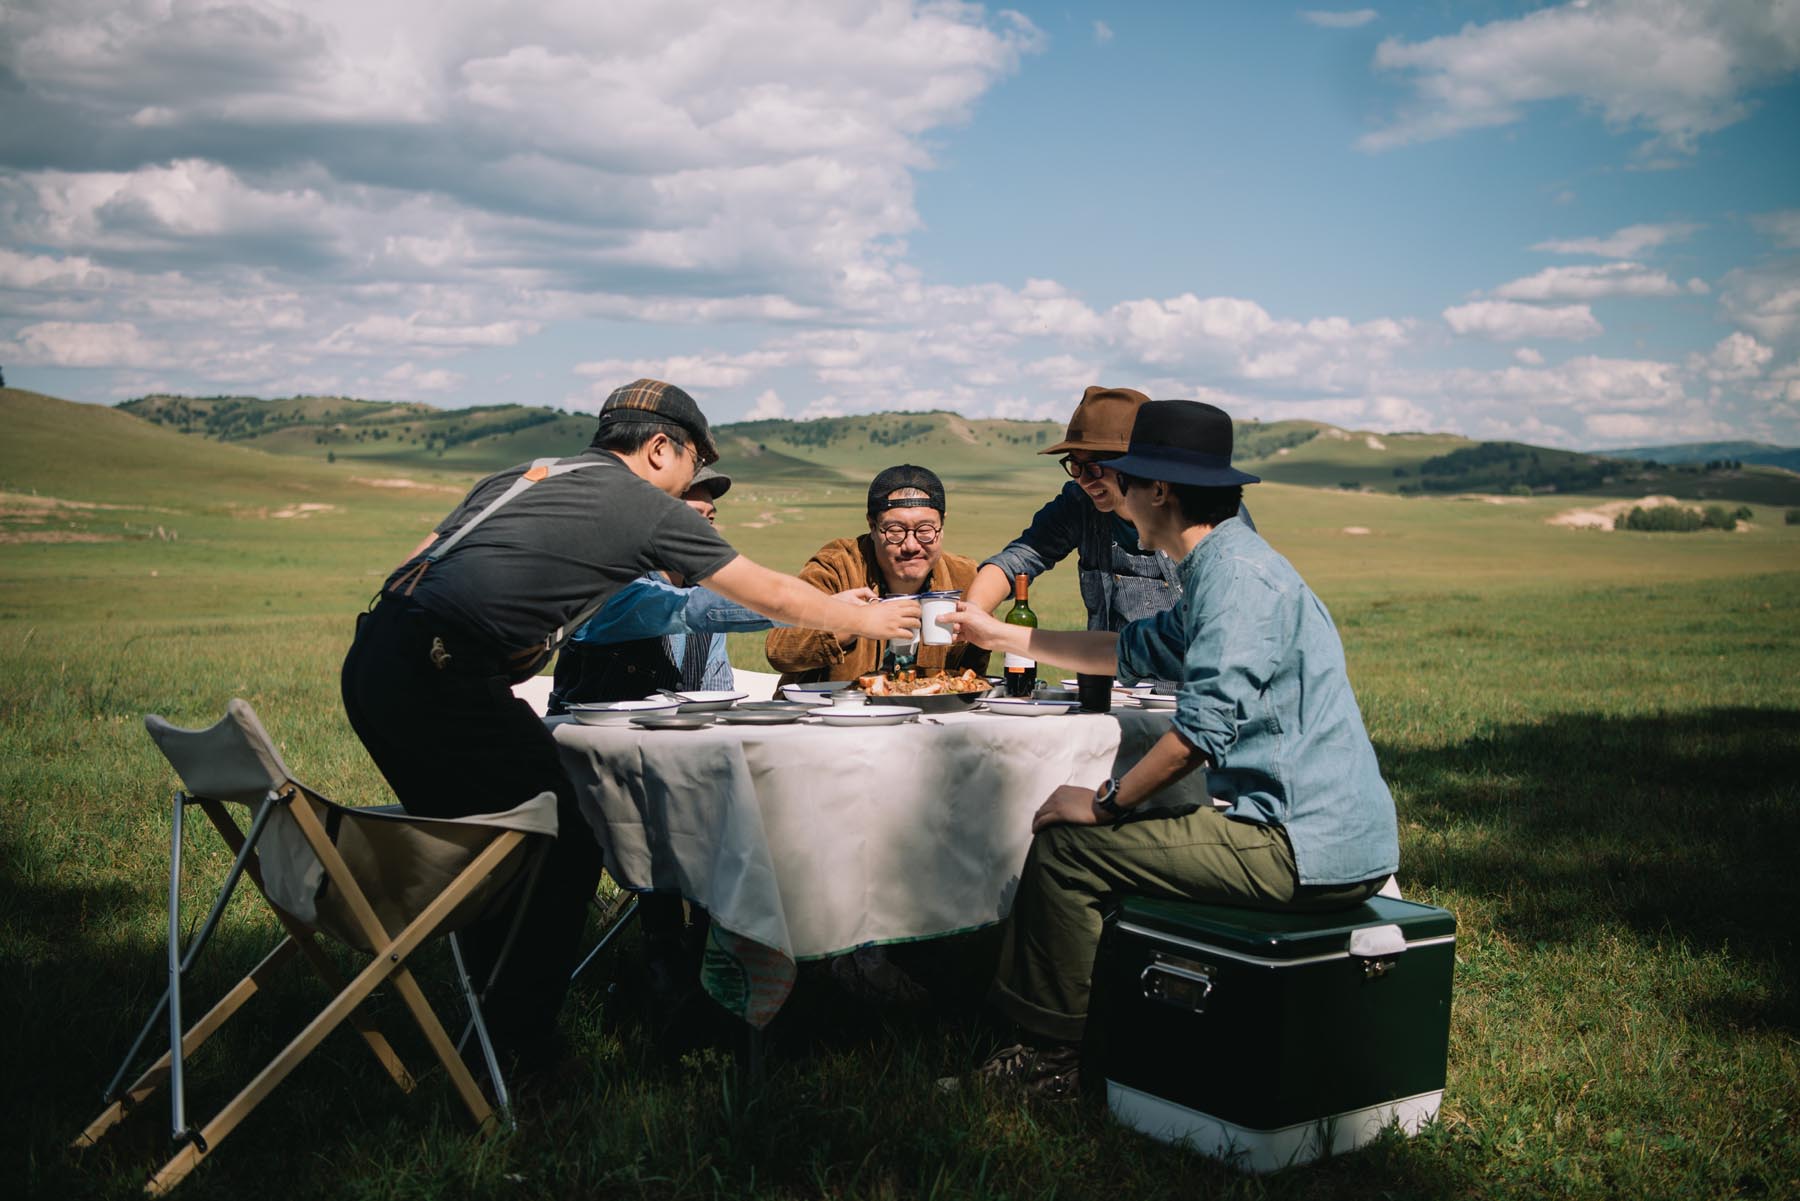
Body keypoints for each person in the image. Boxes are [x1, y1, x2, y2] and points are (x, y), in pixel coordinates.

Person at [340, 379, 919, 1069]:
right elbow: (757, 589)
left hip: (376, 659)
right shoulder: (639, 503)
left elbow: (418, 559)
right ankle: (518, 1050)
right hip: (442, 675)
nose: (686, 487)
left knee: (499, 840)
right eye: (690, 468)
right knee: (564, 833)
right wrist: (864, 617)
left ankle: (486, 1029)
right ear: (657, 448)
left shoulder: (527, 474)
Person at [943, 399, 1399, 1098]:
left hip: (1298, 842)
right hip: (1304, 829)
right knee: (1102, 840)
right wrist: (1002, 635)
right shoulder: (1223, 563)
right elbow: (1132, 649)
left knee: (1070, 851)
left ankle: (1048, 1061)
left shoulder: (1236, 577)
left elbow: (1197, 735)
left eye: (1122, 477)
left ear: (1159, 490)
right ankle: (1100, 1021)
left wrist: (1104, 803)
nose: (1110, 492)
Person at [962, 386, 1252, 630]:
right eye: (1075, 466)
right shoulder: (1078, 504)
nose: (1085, 481)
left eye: (1097, 467)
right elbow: (1018, 560)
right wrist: (972, 614)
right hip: (1112, 682)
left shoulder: (1208, 517)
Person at [765, 464, 990, 686]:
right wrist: (853, 622)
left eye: (925, 531)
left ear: (942, 526)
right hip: (835, 713)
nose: (911, 545)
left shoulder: (966, 578)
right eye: (895, 531)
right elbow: (779, 649)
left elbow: (971, 676)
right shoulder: (835, 568)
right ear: (872, 526)